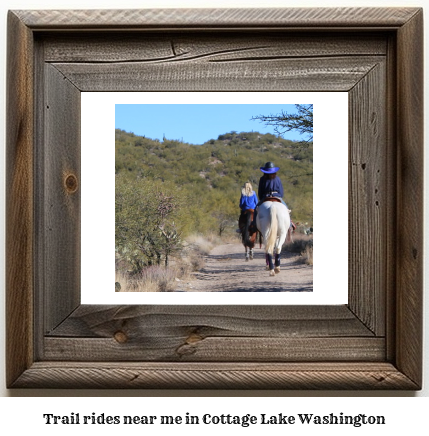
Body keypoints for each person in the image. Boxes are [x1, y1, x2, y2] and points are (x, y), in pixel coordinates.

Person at [249, 162, 288, 233]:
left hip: (265, 197)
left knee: (255, 210)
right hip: (277, 197)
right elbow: (281, 192)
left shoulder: (262, 179)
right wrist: (279, 196)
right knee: (286, 209)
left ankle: (254, 224)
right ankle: (290, 224)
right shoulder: (278, 179)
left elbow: (260, 192)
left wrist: (262, 198)